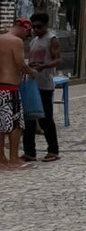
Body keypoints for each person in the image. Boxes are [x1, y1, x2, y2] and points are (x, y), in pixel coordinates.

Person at [23, 12, 60, 162]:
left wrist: (43, 66)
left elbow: (58, 59)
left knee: (46, 119)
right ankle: (29, 152)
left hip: (44, 84)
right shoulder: (34, 41)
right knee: (29, 119)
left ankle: (53, 150)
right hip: (32, 82)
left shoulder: (52, 39)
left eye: (39, 27)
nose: (36, 30)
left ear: (46, 25)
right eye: (34, 27)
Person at [0, 19, 37, 169]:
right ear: (24, 29)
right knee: (15, 124)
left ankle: (1, 158)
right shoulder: (16, 41)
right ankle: (14, 159)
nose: (27, 36)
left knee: (1, 124)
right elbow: (20, 64)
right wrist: (33, 72)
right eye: (28, 32)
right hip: (10, 88)